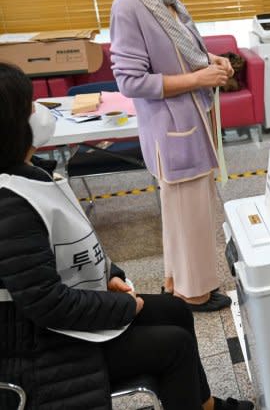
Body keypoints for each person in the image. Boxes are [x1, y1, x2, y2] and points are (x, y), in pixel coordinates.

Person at [0, 62, 253, 410]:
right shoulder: (9, 204)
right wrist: (119, 306)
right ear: (13, 125)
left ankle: (205, 404)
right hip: (40, 345)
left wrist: (111, 276)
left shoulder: (33, 175)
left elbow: (73, 246)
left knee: (176, 310)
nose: (40, 113)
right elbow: (45, 304)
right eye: (30, 107)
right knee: (173, 345)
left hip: (69, 313)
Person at [110, 0, 232, 311]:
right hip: (171, 129)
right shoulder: (129, 6)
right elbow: (131, 81)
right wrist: (198, 79)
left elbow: (185, 53)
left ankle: (178, 282)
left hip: (189, 125)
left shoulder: (167, 0)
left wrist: (210, 61)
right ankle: (194, 294)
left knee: (186, 216)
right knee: (189, 217)